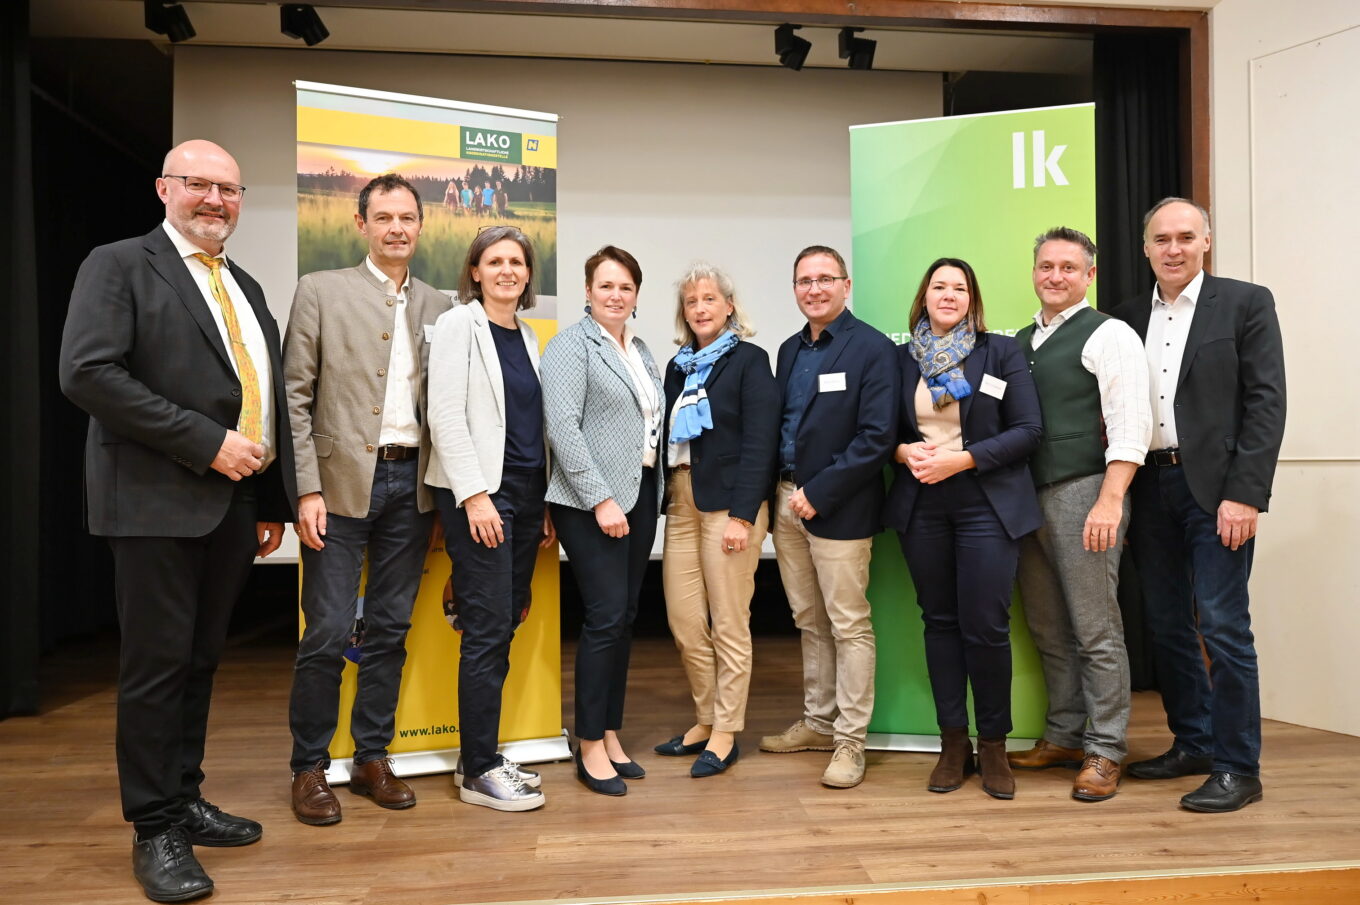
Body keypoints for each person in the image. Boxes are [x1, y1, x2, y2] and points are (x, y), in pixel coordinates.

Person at [59, 139, 296, 903]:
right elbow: (88, 372)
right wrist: (206, 443)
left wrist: (265, 500)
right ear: (166, 188)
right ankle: (154, 825)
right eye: (199, 185)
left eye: (229, 189)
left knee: (199, 662)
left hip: (230, 505)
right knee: (157, 668)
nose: (215, 201)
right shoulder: (119, 263)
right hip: (156, 500)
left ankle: (185, 797)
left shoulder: (247, 286)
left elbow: (258, 396)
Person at [283, 173, 451, 826]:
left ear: (420, 225)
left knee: (389, 629)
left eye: (407, 217)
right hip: (339, 489)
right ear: (361, 224)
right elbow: (296, 396)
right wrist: (306, 486)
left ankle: (372, 755)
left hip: (412, 491)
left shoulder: (441, 306)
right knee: (326, 632)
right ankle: (308, 767)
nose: (397, 228)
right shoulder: (320, 291)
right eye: (383, 217)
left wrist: (440, 497)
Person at [1114, 198, 1286, 813]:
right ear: (1146, 248)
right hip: (1151, 488)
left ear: (1206, 241)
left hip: (1218, 492)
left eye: (1186, 236)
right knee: (1165, 624)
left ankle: (1240, 767)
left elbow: (1266, 403)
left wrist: (1246, 493)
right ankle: (1194, 743)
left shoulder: (1245, 303)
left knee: (1223, 625)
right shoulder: (1126, 317)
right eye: (1161, 239)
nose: (1174, 248)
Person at [884, 258, 1043, 799]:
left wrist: (966, 460)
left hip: (986, 505)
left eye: (959, 287)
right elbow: (878, 430)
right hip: (922, 507)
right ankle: (954, 744)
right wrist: (903, 451)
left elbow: (1028, 431)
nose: (948, 295)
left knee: (986, 626)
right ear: (923, 297)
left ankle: (993, 744)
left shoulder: (999, 352)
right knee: (940, 623)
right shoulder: (901, 358)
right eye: (938, 286)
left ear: (972, 298)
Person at [1009, 227, 1151, 803]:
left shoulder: (1109, 333)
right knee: (1047, 626)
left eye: (1069, 267)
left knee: (1096, 629)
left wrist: (1110, 499)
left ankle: (1105, 748)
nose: (1056, 276)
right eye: (1047, 266)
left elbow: (1130, 420)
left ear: (1089, 276)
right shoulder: (1020, 341)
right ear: (1034, 272)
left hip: (1086, 491)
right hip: (1025, 498)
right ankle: (1065, 735)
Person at [759, 245, 898, 789]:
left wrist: (820, 492)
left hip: (838, 507)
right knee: (807, 621)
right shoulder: (789, 350)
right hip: (788, 504)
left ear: (846, 285)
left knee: (848, 624)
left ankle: (850, 741)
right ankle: (818, 720)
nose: (814, 289)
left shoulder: (872, 349)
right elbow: (785, 427)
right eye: (803, 281)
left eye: (824, 279)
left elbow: (877, 437)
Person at [426, 225, 554, 811]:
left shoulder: (527, 336)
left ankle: (482, 751)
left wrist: (544, 501)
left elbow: (530, 427)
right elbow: (445, 414)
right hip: (484, 499)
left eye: (517, 262)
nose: (508, 270)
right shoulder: (460, 325)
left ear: (528, 274)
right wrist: (474, 496)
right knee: (484, 632)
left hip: (526, 499)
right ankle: (477, 769)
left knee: (502, 625)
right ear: (475, 272)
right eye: (495, 261)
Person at [541, 245, 664, 797]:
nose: (616, 295)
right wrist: (599, 499)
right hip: (592, 503)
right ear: (587, 291)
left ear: (636, 296)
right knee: (605, 615)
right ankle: (589, 744)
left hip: (639, 495)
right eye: (606, 286)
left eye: (626, 288)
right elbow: (562, 427)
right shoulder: (572, 345)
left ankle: (611, 732)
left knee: (626, 615)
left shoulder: (639, 349)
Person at [654, 263, 778, 777]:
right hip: (682, 502)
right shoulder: (677, 366)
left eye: (709, 299)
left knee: (729, 623)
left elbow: (760, 442)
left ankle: (726, 731)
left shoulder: (750, 361)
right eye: (691, 301)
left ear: (729, 306)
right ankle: (704, 719)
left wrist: (745, 516)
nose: (700, 308)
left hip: (731, 507)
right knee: (684, 623)